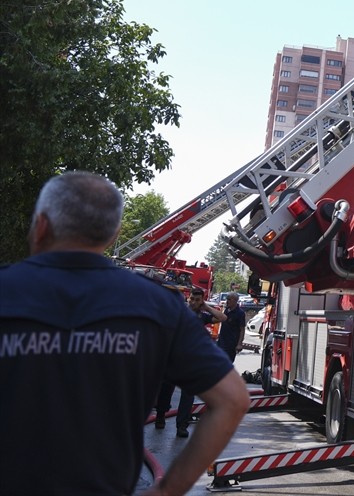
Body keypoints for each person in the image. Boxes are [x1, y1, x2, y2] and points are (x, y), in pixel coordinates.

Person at [0, 172, 249, 496]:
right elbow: (232, 400)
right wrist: (167, 491)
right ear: (114, 232)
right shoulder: (159, 306)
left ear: (41, 225)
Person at [173, 287, 227, 438]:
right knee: (166, 389)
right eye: (192, 299)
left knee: (188, 394)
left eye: (198, 300)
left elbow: (222, 318)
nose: (194, 302)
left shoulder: (203, 316)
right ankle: (160, 415)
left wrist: (207, 307)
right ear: (188, 298)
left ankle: (181, 426)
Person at [217, 292, 246, 361]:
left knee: (227, 363)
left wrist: (239, 344)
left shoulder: (240, 313)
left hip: (231, 344)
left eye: (229, 299)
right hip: (222, 341)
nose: (227, 301)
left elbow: (242, 329)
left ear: (235, 300)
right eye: (227, 299)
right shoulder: (226, 310)